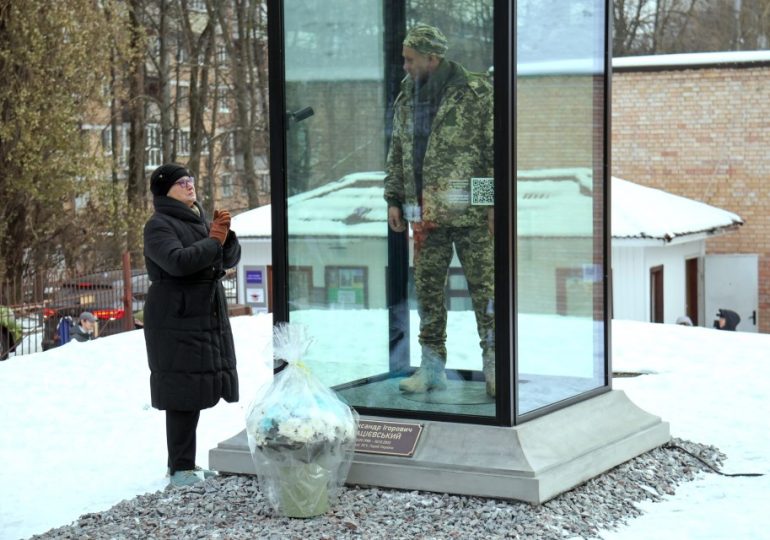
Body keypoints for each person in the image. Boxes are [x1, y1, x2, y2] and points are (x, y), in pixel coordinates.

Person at [384, 24, 495, 397]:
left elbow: (493, 152)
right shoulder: (406, 97)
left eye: (410, 59)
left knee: (485, 291)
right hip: (424, 216)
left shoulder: (476, 93)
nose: (405, 66)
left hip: (471, 216)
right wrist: (394, 199)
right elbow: (398, 151)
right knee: (428, 293)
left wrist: (489, 204)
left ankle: (495, 364)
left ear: (433, 58)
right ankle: (431, 368)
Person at [143, 163, 241, 487]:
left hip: (202, 315)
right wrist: (213, 241)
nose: (189, 185)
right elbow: (178, 262)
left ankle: (185, 464)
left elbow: (225, 260)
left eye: (190, 180)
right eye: (181, 182)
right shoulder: (158, 225)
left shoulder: (195, 220)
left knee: (195, 390)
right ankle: (180, 469)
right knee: (181, 393)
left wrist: (225, 239)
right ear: (165, 191)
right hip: (175, 318)